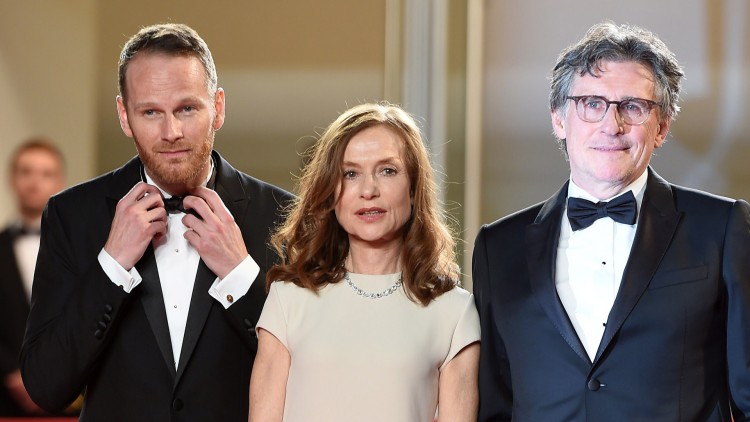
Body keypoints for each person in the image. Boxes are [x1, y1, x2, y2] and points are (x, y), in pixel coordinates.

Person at [473, 21, 750, 421]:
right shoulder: (497, 248)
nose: (611, 125)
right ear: (558, 118)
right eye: (592, 104)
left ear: (662, 127)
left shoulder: (722, 228)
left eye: (632, 107)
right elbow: (494, 406)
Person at [20, 23, 292, 421]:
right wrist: (111, 265)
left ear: (217, 107)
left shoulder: (285, 216)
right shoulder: (72, 215)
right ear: (124, 116)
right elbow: (46, 386)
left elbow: (312, 376)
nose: (172, 132)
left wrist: (240, 276)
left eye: (187, 108)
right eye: (150, 112)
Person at [248, 102, 480, 422]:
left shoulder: (454, 312)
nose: (368, 190)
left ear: (413, 187)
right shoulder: (288, 300)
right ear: (332, 191)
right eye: (351, 173)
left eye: (387, 170)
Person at [0, 139, 65, 416]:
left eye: (46, 173)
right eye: (26, 172)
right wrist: (9, 372)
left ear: (60, 182)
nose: (35, 182)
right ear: (12, 179)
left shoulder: (82, 251)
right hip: (4, 395)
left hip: (67, 392)